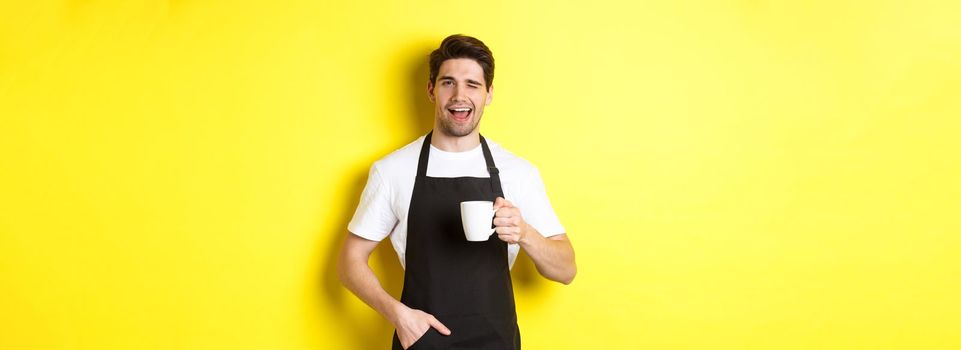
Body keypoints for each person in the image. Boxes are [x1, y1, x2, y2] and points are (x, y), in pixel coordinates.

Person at [337, 34, 576, 350]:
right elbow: (349, 261)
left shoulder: (518, 172)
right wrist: (398, 316)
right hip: (422, 342)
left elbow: (566, 270)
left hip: (497, 342)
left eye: (472, 85)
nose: (459, 95)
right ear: (431, 89)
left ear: (488, 94)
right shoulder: (392, 170)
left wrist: (525, 233)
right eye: (448, 82)